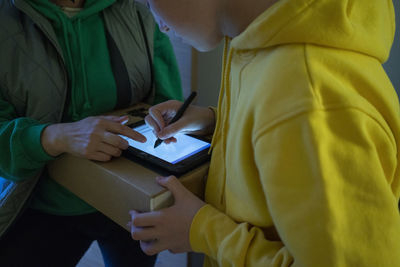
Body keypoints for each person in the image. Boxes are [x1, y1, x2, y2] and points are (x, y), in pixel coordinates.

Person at [129, 0, 400, 266]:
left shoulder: (307, 100)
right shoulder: (257, 38)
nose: (160, 25)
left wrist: (205, 232)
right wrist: (216, 120)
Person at [0, 0, 183, 266]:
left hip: (130, 204)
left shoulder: (136, 12)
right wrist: (54, 137)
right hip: (39, 205)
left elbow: (168, 107)